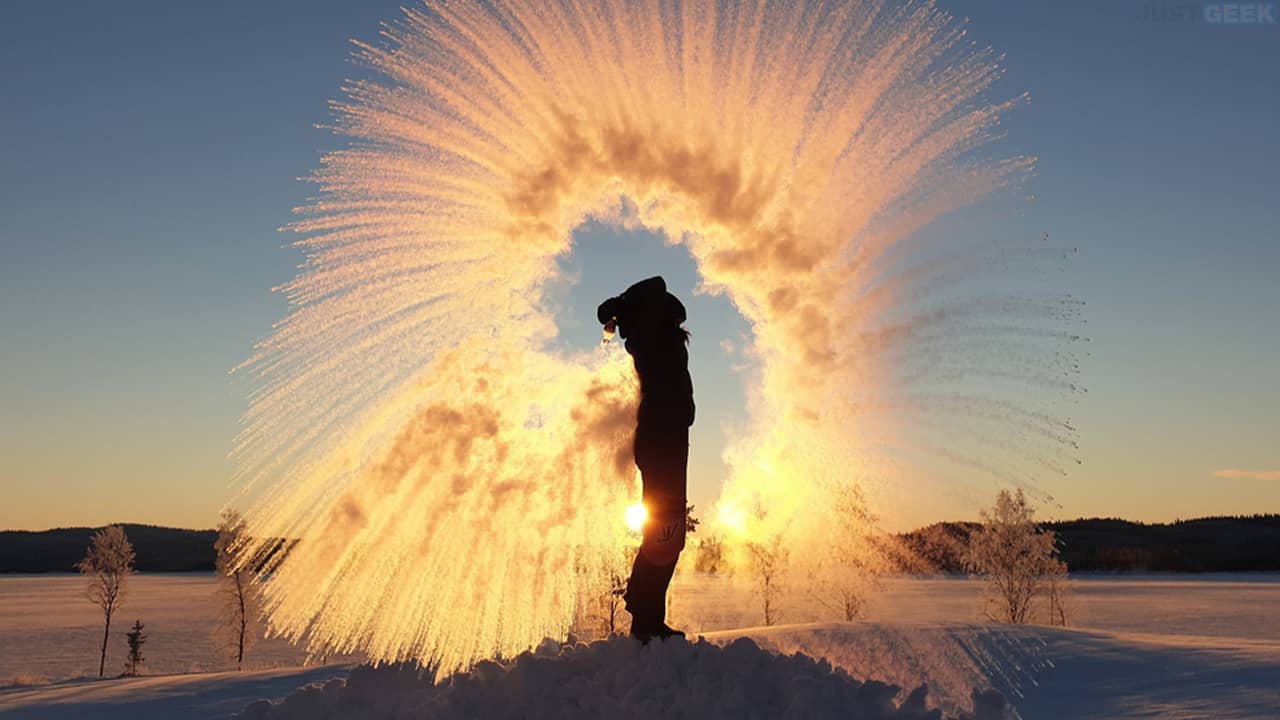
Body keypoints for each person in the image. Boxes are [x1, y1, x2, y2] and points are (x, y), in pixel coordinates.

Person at [597, 275, 694, 642]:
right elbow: (654, 292)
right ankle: (645, 618)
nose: (678, 318)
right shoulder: (653, 337)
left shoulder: (651, 336)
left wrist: (621, 309)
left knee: (666, 530)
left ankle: (646, 613)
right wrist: (624, 306)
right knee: (666, 531)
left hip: (665, 438)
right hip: (663, 439)